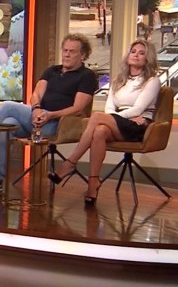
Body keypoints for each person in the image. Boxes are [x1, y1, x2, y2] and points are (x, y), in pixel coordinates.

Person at [0, 34, 98, 193]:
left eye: (72, 51)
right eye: (65, 50)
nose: (67, 54)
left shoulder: (87, 76)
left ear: (83, 55)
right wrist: (36, 108)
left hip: (57, 125)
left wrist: (50, 115)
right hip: (36, 118)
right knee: (5, 127)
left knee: (7, 106)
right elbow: (36, 94)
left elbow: (78, 108)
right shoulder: (52, 71)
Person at [49, 39, 161, 206]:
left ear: (148, 58)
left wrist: (117, 118)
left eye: (142, 53)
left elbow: (138, 110)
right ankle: (93, 183)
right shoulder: (118, 80)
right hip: (120, 121)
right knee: (99, 130)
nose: (136, 55)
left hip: (139, 124)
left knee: (96, 117)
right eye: (133, 52)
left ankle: (70, 162)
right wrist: (115, 118)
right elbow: (109, 108)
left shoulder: (152, 81)